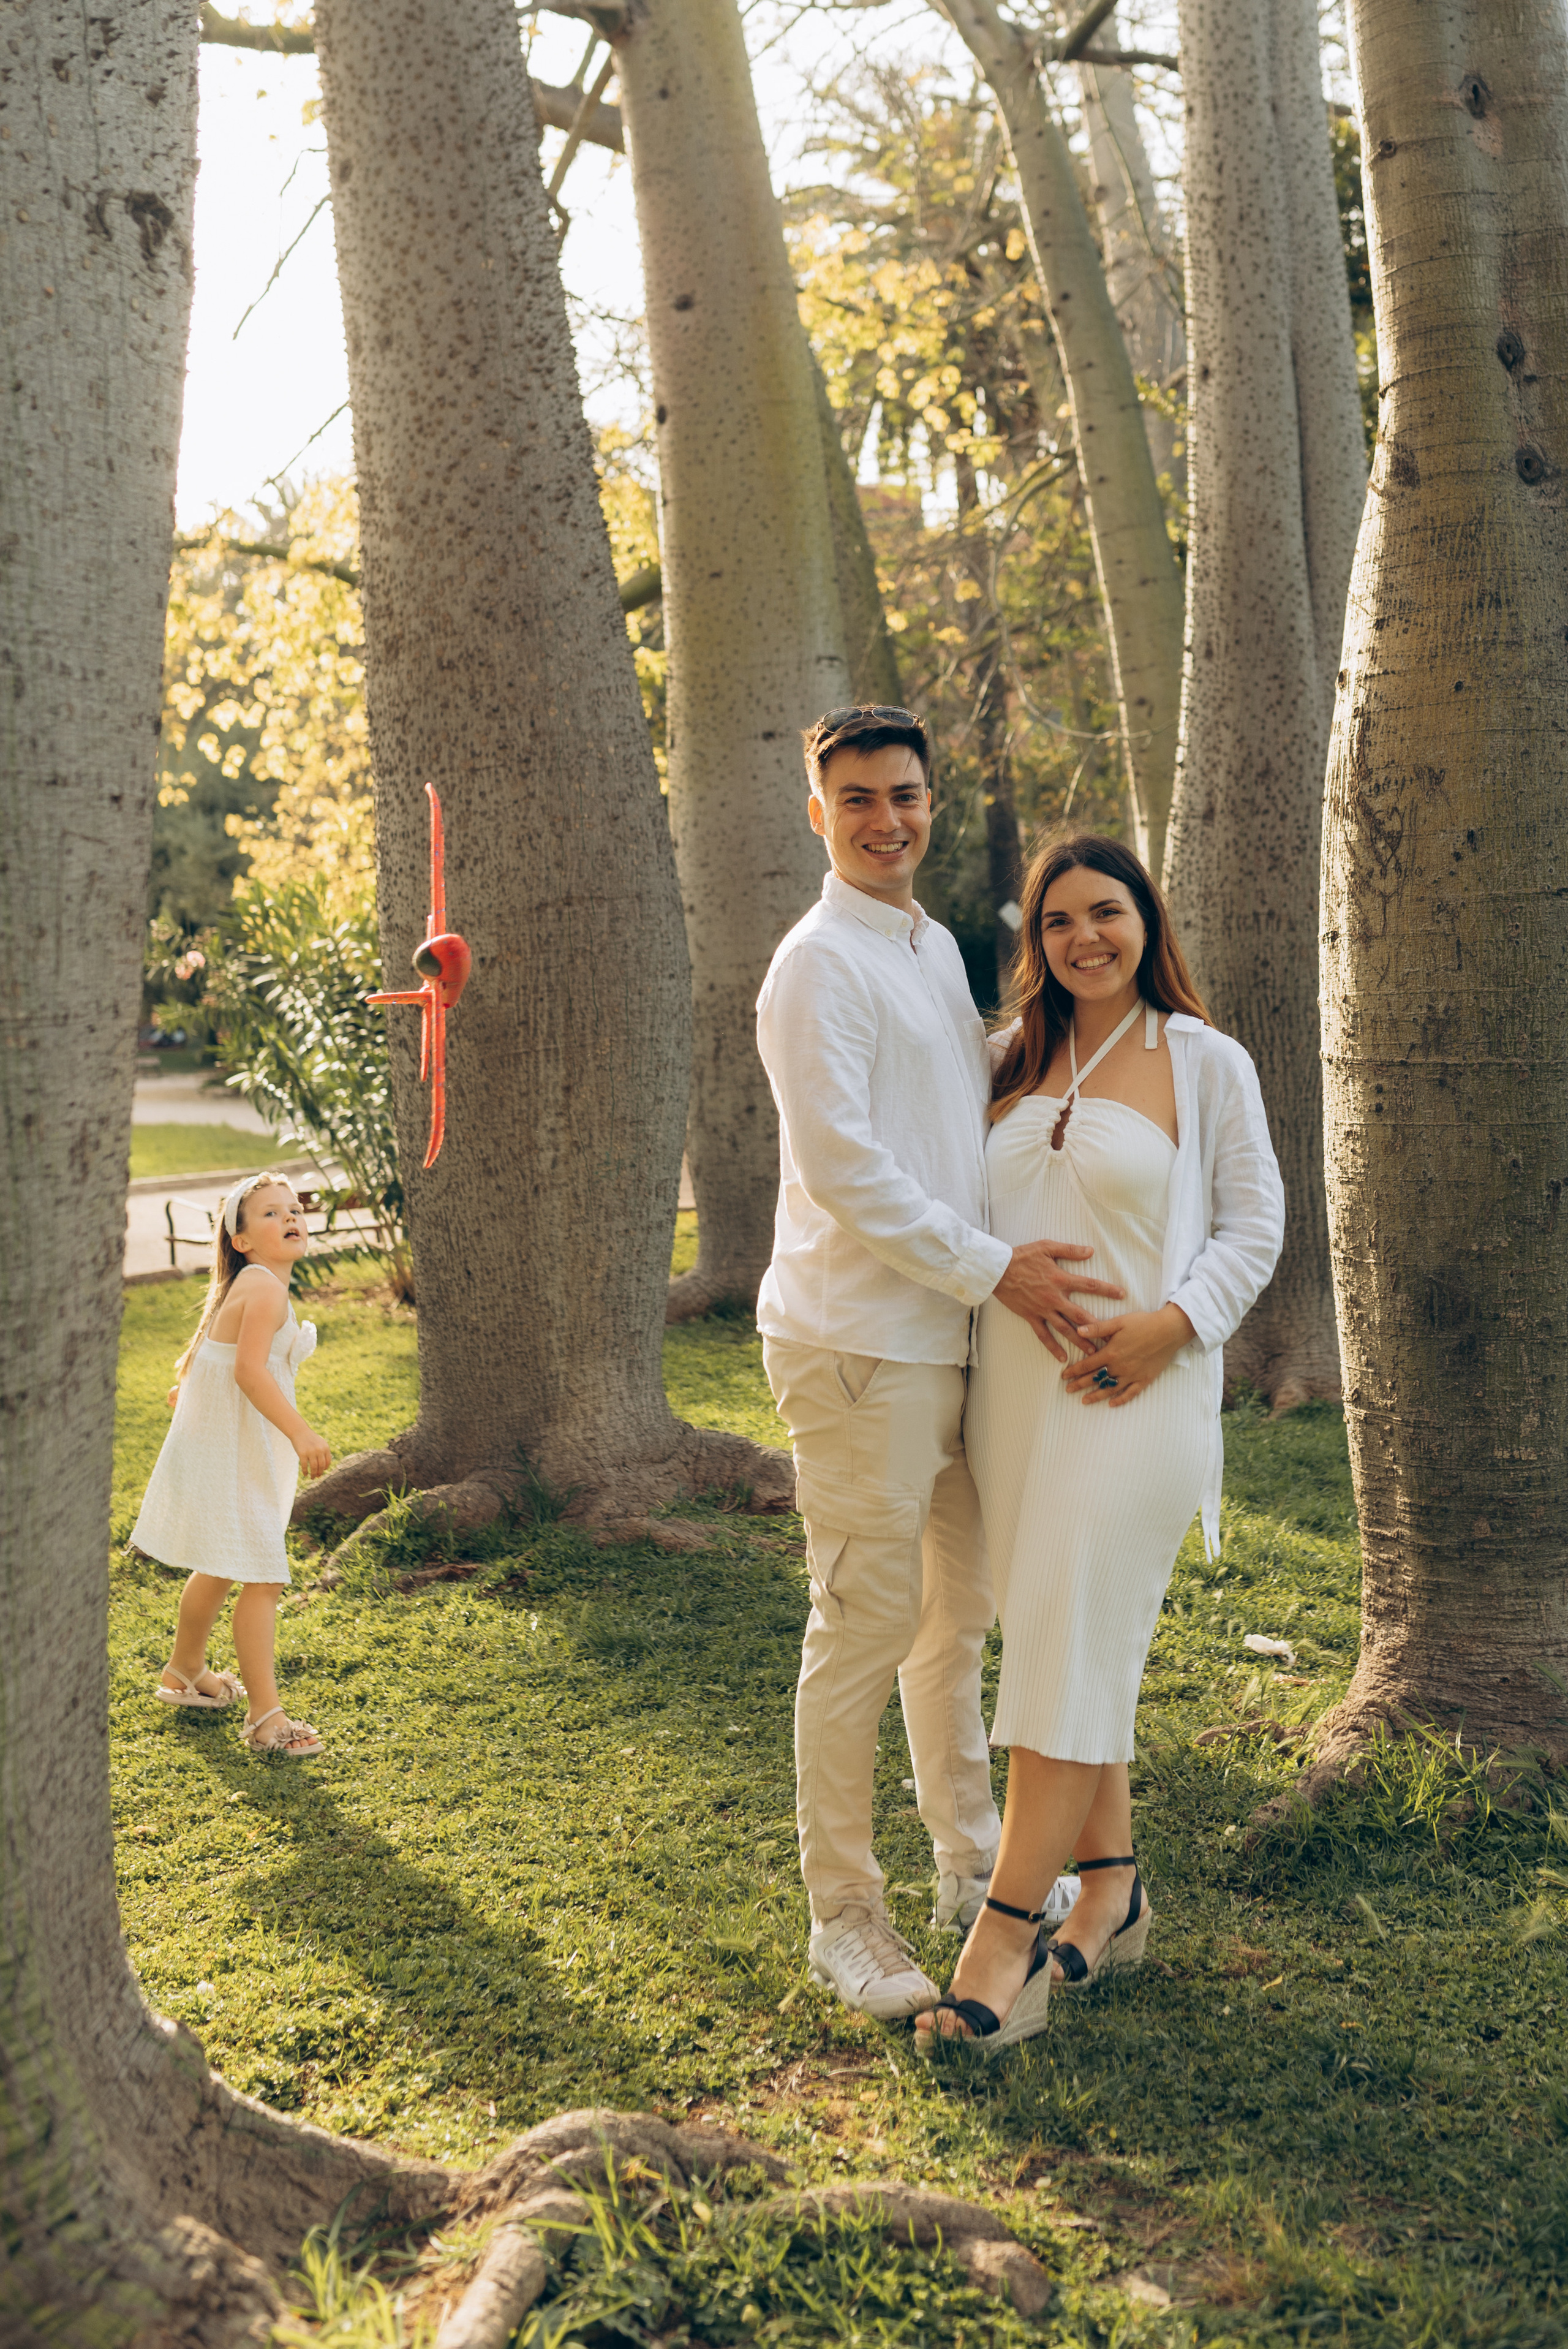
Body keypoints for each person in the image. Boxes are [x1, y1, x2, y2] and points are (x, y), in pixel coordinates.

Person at [755, 707, 1128, 2020]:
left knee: (950, 1625)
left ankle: (971, 1871)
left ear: (928, 801)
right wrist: (996, 1270)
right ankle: (842, 1920)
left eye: (902, 795)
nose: (883, 820)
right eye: (854, 800)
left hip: (956, 1343)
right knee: (861, 1628)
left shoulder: (924, 946)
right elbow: (849, 1170)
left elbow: (956, 1091)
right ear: (818, 815)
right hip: (856, 1342)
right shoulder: (815, 965)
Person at [916, 834, 1284, 2052]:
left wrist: (1166, 1331)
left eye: (1104, 913)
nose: (1084, 938)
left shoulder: (1202, 1060)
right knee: (1062, 1645)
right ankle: (1113, 1894)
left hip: (1137, 1398)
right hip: (1011, 1402)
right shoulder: (1005, 1060)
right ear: (1034, 943)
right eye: (1057, 921)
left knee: (1062, 1651)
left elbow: (1253, 1226)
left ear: (1145, 921)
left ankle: (1005, 1937)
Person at [132, 1173, 333, 1758]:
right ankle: (267, 1719)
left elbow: (217, 1356)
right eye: (270, 1214)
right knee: (263, 1574)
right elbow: (248, 1371)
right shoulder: (266, 1288)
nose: (290, 1218)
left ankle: (186, 1671)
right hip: (238, 1452)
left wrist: (190, 1387)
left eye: (293, 1209)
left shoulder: (249, 1283)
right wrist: (300, 1431)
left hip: (228, 1448)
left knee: (221, 1563)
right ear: (241, 1239)